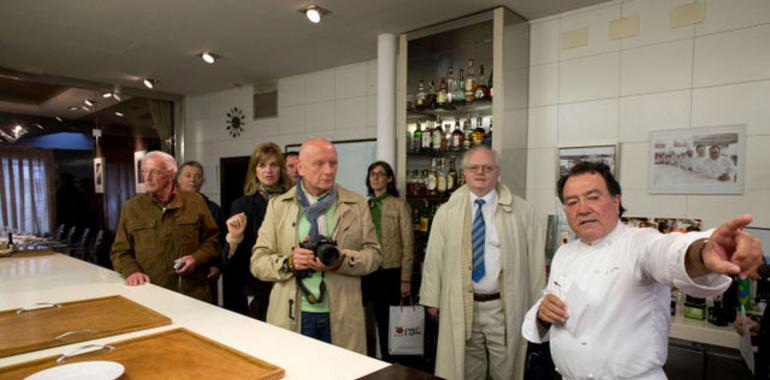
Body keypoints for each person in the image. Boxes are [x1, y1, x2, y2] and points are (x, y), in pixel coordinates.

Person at [522, 161, 764, 379]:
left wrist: (703, 252)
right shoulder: (564, 253)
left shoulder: (639, 242)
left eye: (593, 197)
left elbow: (667, 252)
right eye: (572, 202)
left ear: (616, 202)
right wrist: (543, 313)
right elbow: (548, 305)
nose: (582, 209)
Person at [419, 146, 546, 380]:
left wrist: (537, 304)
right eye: (473, 168)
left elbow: (536, 262)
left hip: (503, 306)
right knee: (466, 369)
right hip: (461, 304)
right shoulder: (447, 212)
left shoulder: (523, 211)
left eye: (488, 168)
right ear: (464, 173)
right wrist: (431, 299)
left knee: (507, 369)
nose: (480, 173)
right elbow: (434, 258)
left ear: (498, 173)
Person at [251, 137, 381, 353]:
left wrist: (341, 259)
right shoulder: (278, 206)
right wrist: (290, 262)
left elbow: (374, 256)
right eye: (319, 164)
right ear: (300, 168)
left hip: (341, 314)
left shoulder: (357, 204)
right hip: (291, 314)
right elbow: (258, 262)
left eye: (333, 163)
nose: (329, 170)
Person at [111, 151, 219, 302]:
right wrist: (131, 271)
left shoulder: (195, 202)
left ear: (171, 174)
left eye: (154, 172)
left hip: (192, 294)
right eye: (144, 172)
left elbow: (213, 241)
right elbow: (120, 251)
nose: (147, 178)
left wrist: (196, 259)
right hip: (149, 293)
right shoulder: (132, 207)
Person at [224, 143, 292, 320]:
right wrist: (234, 239)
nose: (268, 170)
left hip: (288, 281)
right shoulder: (241, 205)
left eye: (273, 165)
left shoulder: (293, 201)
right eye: (262, 165)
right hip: (257, 287)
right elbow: (229, 259)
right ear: (255, 171)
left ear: (281, 170)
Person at [362, 161, 414, 362]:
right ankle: (369, 362)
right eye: (372, 174)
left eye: (381, 174)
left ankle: (392, 365)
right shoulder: (363, 205)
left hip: (390, 273)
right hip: (367, 272)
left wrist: (406, 280)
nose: (375, 177)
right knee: (364, 322)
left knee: (388, 324)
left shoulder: (399, 205)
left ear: (389, 178)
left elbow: (408, 245)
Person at [177, 160, 226, 304]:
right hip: (175, 273)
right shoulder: (169, 207)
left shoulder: (213, 209)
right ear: (178, 178)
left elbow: (221, 240)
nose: (193, 179)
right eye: (188, 175)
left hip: (205, 274)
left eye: (197, 176)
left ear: (203, 181)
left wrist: (218, 266)